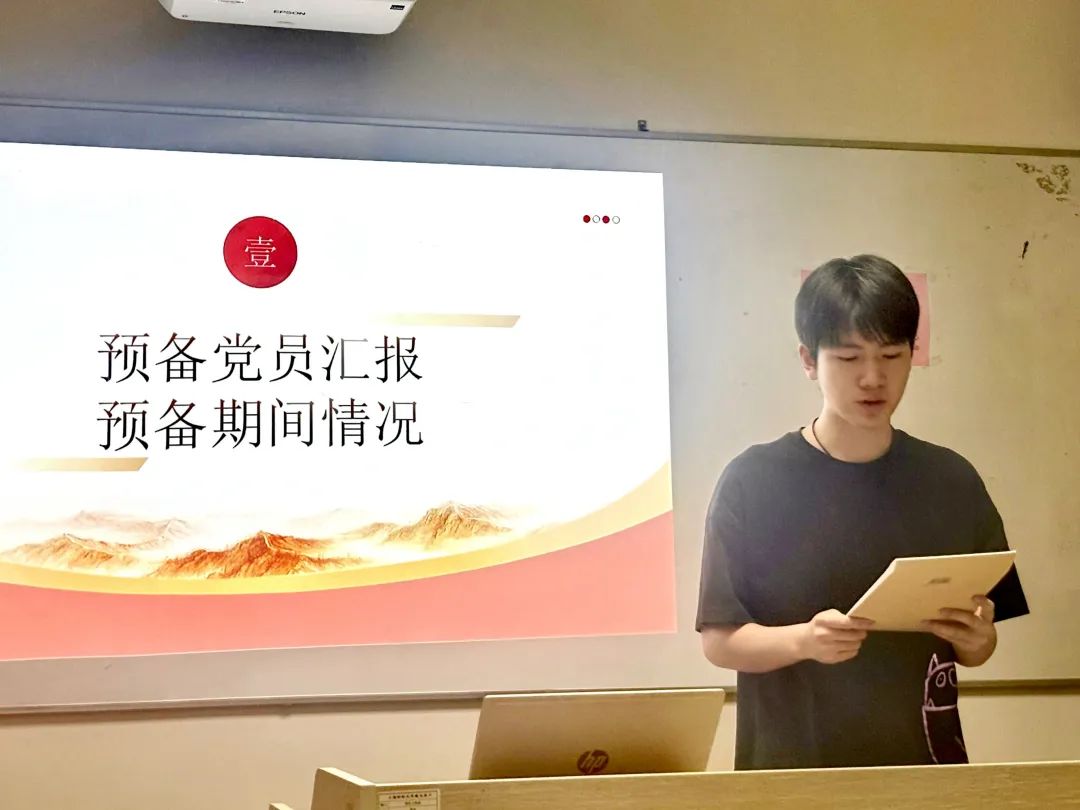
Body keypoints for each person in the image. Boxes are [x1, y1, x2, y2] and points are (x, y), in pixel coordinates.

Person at [695, 254, 1029, 770]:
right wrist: (805, 641)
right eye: (849, 358)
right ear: (809, 360)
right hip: (791, 773)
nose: (873, 378)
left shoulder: (951, 480)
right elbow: (720, 642)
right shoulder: (753, 481)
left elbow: (980, 643)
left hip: (924, 770)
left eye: (892, 355)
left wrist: (978, 641)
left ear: (913, 354)